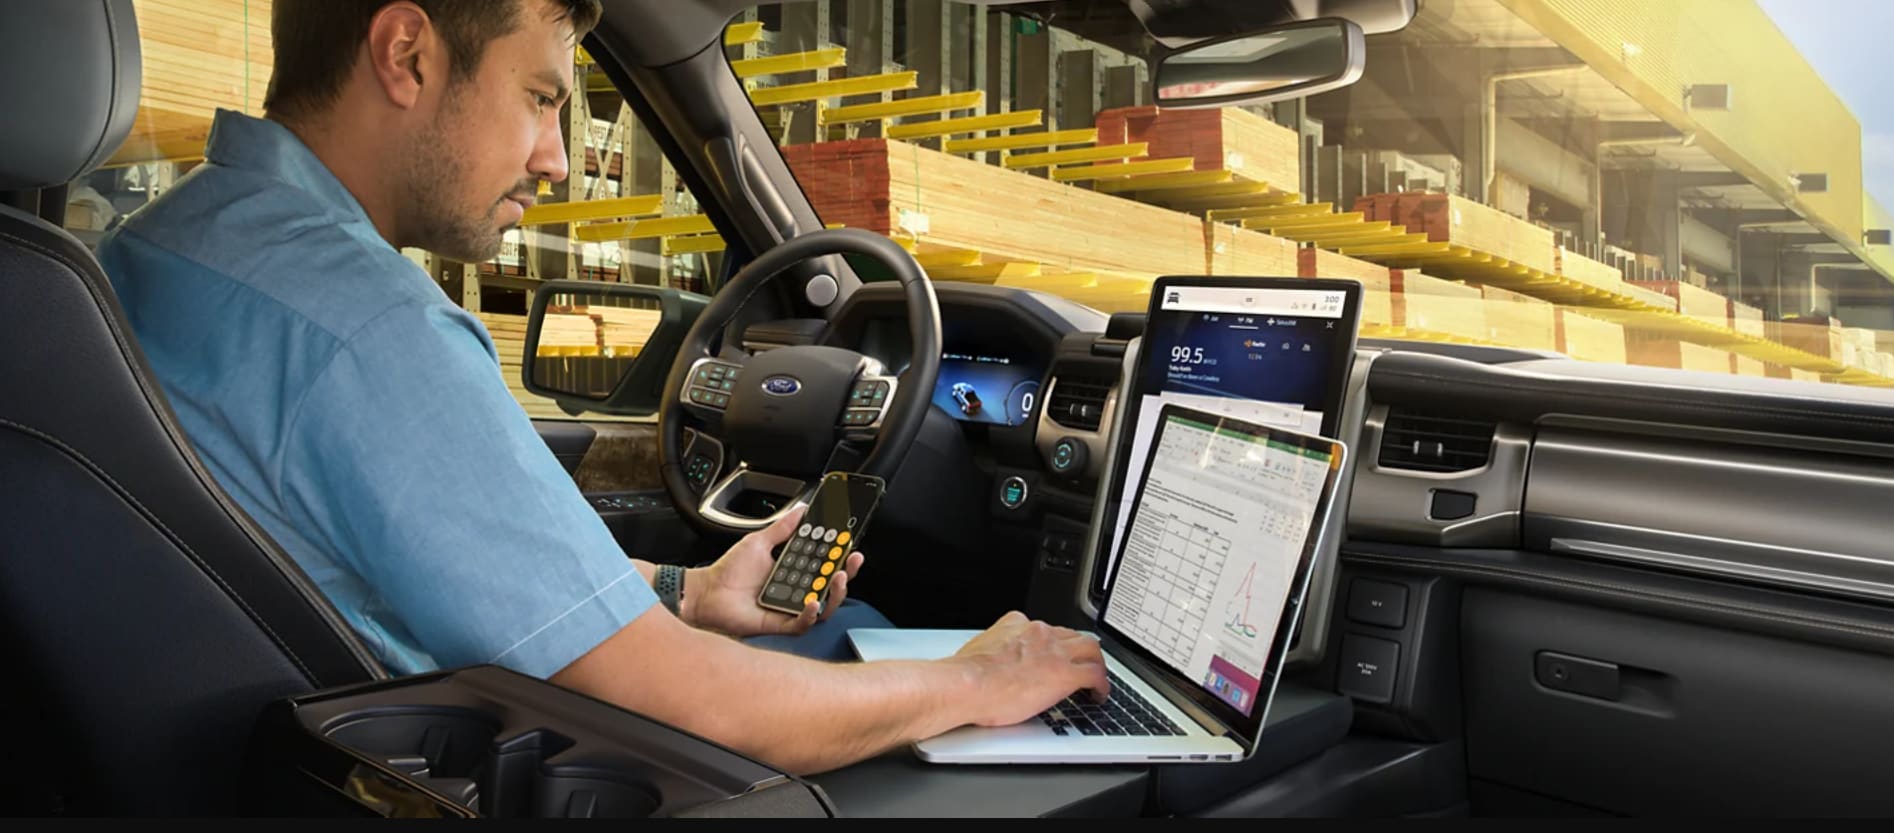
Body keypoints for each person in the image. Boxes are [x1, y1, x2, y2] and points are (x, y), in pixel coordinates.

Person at [96, 0, 1106, 776]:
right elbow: (701, 709)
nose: (558, 160)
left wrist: (690, 589)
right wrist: (976, 678)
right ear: (406, 55)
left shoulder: (155, 252)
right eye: (540, 98)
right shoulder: (368, 331)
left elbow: (426, 566)